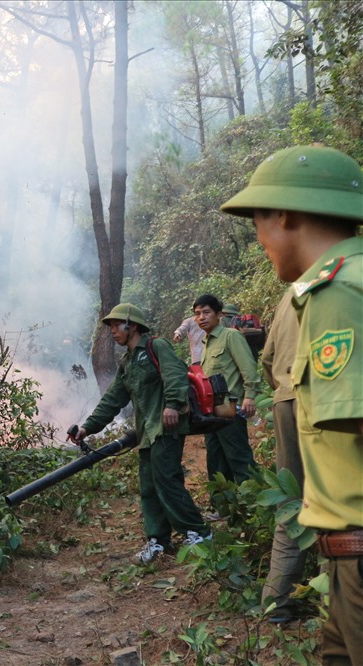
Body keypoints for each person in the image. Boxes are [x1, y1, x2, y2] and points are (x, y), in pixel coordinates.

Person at [221, 144, 362, 664]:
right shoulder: (334, 284)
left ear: (283, 214)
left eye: (257, 220)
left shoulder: (337, 292)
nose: (258, 240)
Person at [71, 303, 211, 564]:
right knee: (148, 486)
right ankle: (158, 542)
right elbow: (112, 399)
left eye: (116, 325)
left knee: (167, 481)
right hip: (146, 433)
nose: (112, 331)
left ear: (131, 325)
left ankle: (199, 534)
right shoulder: (128, 361)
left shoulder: (156, 347)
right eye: (110, 326)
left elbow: (176, 375)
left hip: (167, 427)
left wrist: (171, 405)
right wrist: (87, 427)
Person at [260, 289, 308, 624]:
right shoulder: (352, 274)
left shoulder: (292, 292)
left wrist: (283, 390)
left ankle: (276, 604)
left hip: (285, 401)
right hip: (331, 400)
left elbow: (267, 357)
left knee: (292, 500)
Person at [193, 294, 260, 497]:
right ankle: (225, 506)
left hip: (230, 410)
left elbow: (248, 368)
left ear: (219, 314)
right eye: (197, 314)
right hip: (211, 412)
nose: (201, 317)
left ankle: (255, 503)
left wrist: (249, 396)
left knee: (239, 458)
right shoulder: (206, 343)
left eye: (206, 312)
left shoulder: (231, 336)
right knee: (216, 460)